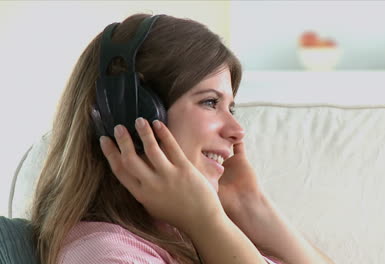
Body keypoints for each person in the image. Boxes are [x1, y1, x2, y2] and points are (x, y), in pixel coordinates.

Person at [30, 13, 334, 264]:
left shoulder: (195, 237)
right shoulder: (106, 255)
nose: (237, 131)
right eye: (210, 102)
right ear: (133, 115)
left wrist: (251, 205)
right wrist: (207, 220)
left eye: (231, 107)